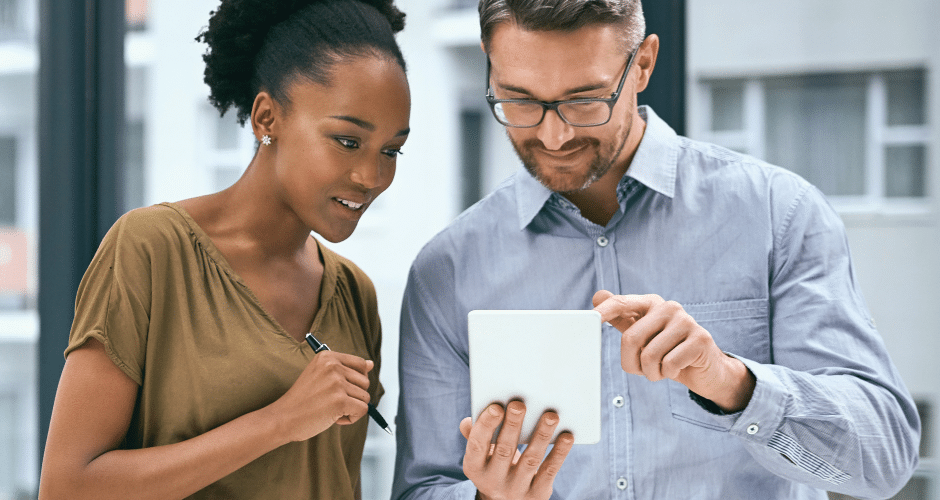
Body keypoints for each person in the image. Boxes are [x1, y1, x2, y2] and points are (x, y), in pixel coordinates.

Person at [391, 0, 920, 499]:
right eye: (521, 99)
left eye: (584, 99)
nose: (553, 135)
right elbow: (423, 487)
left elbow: (884, 460)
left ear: (642, 65)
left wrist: (730, 382)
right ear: (490, 67)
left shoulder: (777, 216)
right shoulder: (448, 270)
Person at [37, 0, 409, 498]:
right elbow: (67, 487)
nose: (371, 177)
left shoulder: (353, 295)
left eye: (391, 151)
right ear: (266, 117)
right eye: (346, 141)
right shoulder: (151, 251)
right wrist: (279, 421)